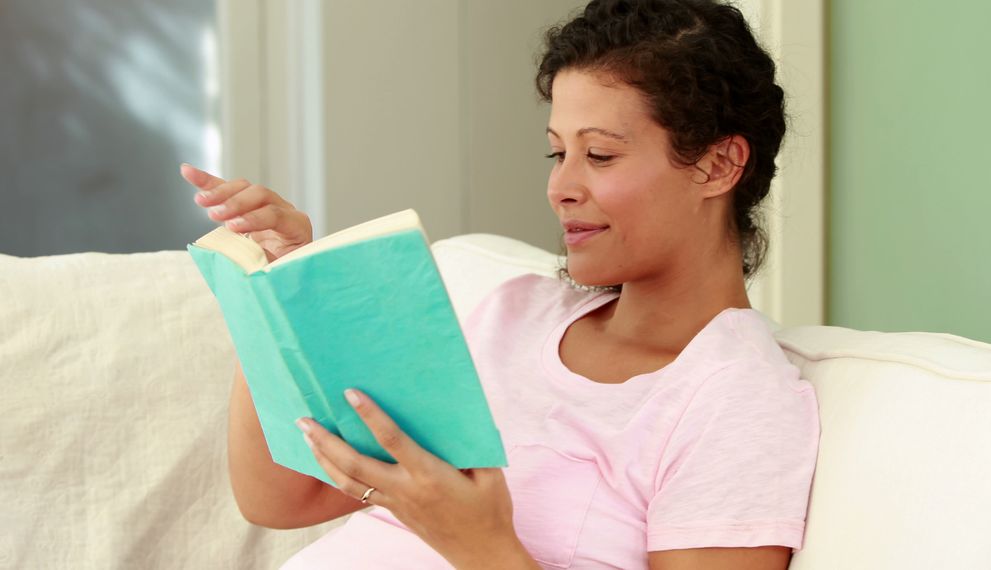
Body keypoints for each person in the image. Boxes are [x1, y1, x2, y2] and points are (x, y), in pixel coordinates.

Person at [181, 0, 819, 568]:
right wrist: (273, 296)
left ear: (718, 164)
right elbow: (281, 499)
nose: (561, 187)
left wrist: (481, 547)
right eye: (556, 153)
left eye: (599, 155)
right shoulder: (513, 314)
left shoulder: (736, 399)